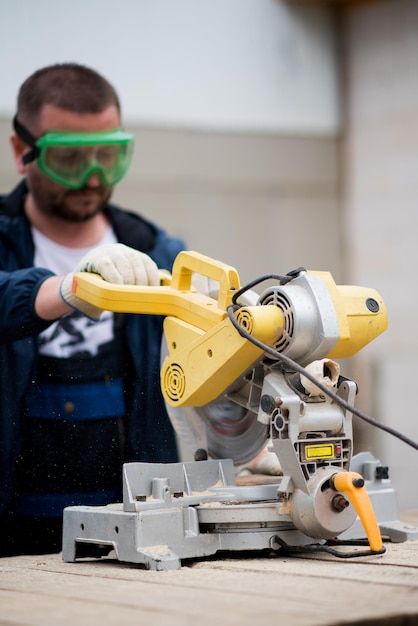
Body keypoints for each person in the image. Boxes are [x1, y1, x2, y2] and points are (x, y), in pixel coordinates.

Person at [0, 63, 185, 556]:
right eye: (71, 158)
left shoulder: (156, 251)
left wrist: (242, 426)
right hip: (10, 529)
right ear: (22, 152)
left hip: (134, 527)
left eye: (108, 155)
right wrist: (68, 289)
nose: (93, 176)